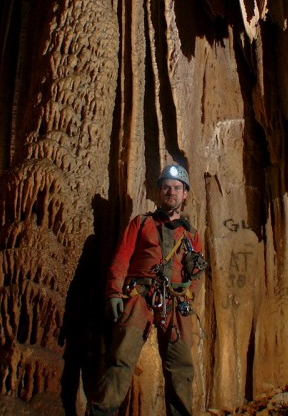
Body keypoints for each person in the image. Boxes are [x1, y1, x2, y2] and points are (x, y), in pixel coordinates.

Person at [90, 164, 208, 416]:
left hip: (175, 302)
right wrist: (113, 292)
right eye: (166, 187)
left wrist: (189, 292)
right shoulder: (141, 223)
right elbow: (121, 258)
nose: (171, 192)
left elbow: (196, 273)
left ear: (185, 194)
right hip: (139, 296)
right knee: (121, 358)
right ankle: (102, 412)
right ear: (158, 192)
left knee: (180, 367)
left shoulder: (191, 234)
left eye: (177, 188)